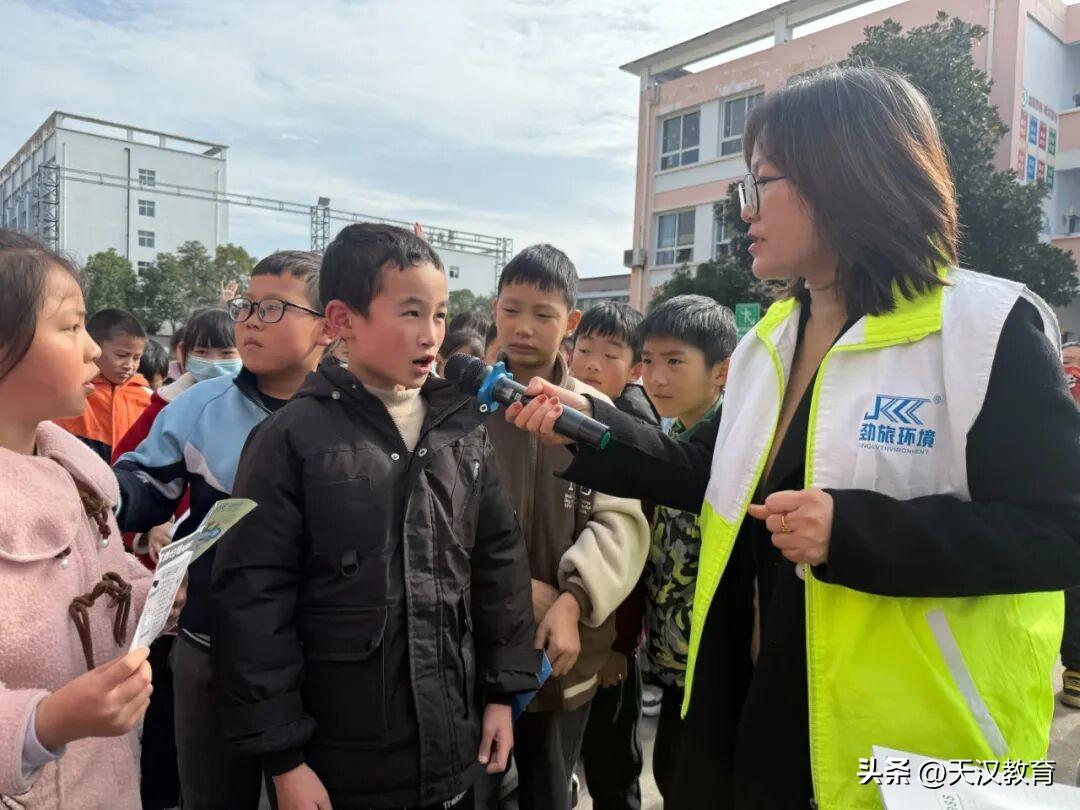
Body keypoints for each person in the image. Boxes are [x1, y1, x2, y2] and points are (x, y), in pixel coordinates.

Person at [502, 66, 1080, 810]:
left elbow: (1063, 529)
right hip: (751, 704)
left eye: (759, 183)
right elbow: (705, 474)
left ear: (842, 178)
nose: (742, 210)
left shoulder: (988, 330)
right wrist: (580, 422)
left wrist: (856, 531)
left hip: (927, 749)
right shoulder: (772, 336)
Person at [211, 223, 541, 810]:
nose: (431, 335)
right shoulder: (290, 439)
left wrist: (501, 692)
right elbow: (253, 600)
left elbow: (500, 565)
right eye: (411, 313)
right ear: (341, 321)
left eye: (440, 315)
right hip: (338, 761)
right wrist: (285, 758)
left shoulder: (459, 429)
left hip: (450, 746)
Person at [113, 251, 330, 810]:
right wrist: (90, 491)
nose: (251, 319)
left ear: (331, 324)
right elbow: (141, 487)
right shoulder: (200, 406)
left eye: (274, 308)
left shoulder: (351, 413)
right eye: (246, 305)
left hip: (324, 652)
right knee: (210, 791)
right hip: (210, 645)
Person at [0, 229, 172, 808]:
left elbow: (106, 574)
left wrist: (159, 592)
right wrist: (40, 724)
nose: (94, 351)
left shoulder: (78, 477)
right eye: (72, 327)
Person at [485, 244, 650, 810]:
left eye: (543, 314)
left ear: (570, 323)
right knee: (475, 784)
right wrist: (511, 587)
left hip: (566, 649)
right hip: (476, 642)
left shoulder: (595, 411)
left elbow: (622, 522)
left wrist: (574, 599)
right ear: (494, 310)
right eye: (511, 310)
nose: (523, 327)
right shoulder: (460, 405)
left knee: (549, 788)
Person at [110, 305, 240, 810]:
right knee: (165, 710)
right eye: (200, 351)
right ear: (182, 354)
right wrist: (146, 531)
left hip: (210, 587)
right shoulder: (171, 406)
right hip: (166, 593)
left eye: (222, 351)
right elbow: (129, 478)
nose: (213, 361)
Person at [634, 295, 735, 804]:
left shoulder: (739, 448)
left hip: (720, 670)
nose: (657, 377)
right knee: (670, 774)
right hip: (671, 664)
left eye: (675, 361)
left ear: (721, 370)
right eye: (649, 361)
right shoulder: (667, 434)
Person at [569, 301, 658, 810]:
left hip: (612, 641)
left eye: (610, 354)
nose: (593, 365)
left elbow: (636, 555)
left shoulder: (635, 432)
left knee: (611, 762)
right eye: (584, 350)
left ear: (635, 368)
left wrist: (622, 646)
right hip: (569, 626)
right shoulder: (558, 411)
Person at [54, 308, 150, 461]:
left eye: (136, 358)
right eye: (122, 355)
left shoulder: (147, 397)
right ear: (93, 348)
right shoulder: (70, 389)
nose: (129, 365)